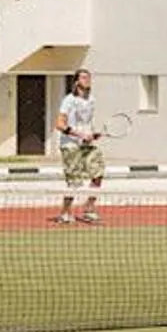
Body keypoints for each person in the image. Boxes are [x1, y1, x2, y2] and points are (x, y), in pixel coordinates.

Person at [53, 67, 103, 224]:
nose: (87, 80)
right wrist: (80, 135)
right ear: (76, 82)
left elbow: (86, 123)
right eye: (83, 78)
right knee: (74, 181)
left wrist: (92, 134)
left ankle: (89, 208)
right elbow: (60, 124)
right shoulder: (69, 100)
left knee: (98, 173)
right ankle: (65, 213)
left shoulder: (92, 100)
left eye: (88, 78)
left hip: (87, 144)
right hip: (70, 145)